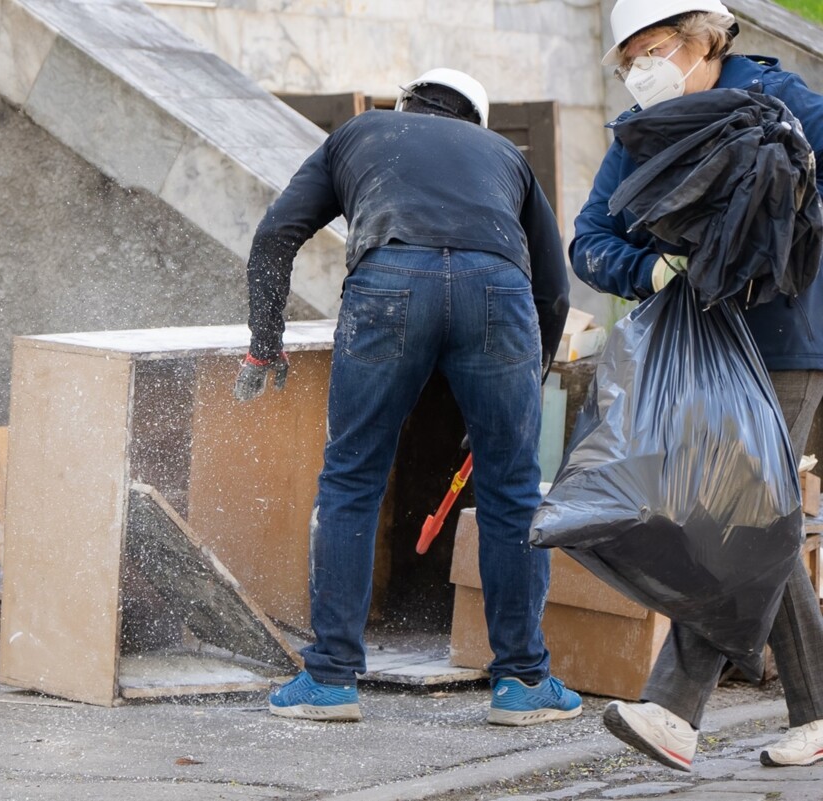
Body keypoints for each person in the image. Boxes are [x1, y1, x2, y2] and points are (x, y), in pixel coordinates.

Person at [234, 68, 578, 725]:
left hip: (388, 283)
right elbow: (554, 289)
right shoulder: (505, 155)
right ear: (475, 121)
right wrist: (525, 385)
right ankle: (523, 683)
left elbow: (275, 235)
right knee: (512, 489)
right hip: (497, 295)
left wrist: (265, 342)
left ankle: (330, 679)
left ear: (406, 105)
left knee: (352, 479)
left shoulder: (360, 132)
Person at [572, 0, 823, 771]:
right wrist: (646, 268)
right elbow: (590, 238)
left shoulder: (793, 107)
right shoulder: (638, 134)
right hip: (696, 350)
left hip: (784, 344)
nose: (640, 72)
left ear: (703, 40)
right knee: (754, 521)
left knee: (734, 518)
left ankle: (674, 709)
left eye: (652, 51)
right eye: (628, 61)